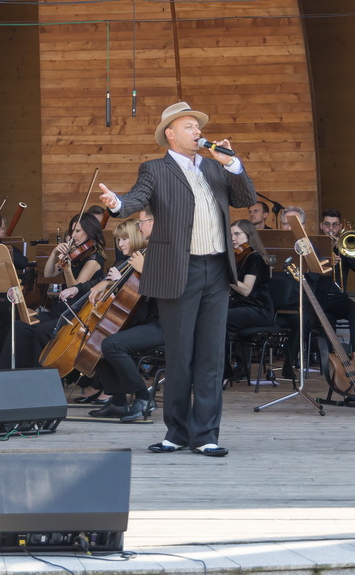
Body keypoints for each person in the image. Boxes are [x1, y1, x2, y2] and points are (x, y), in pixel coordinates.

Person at [99, 101, 255, 457]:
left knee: (211, 355)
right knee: (180, 353)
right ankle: (176, 432)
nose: (197, 132)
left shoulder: (216, 169)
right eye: (189, 127)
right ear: (170, 134)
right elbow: (134, 199)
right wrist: (115, 204)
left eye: (197, 126)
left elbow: (245, 198)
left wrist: (231, 163)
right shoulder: (155, 169)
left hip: (215, 270)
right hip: (177, 271)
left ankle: (206, 435)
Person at [86, 213, 163, 422]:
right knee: (100, 338)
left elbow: (160, 294)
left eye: (141, 225)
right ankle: (119, 401)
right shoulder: (136, 259)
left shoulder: (156, 258)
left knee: (112, 344)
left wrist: (141, 272)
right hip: (143, 320)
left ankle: (144, 397)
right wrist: (108, 284)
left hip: (162, 324)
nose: (120, 244)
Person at [10, 213, 107, 370]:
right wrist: (54, 253)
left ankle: (42, 377)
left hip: (76, 313)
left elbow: (75, 291)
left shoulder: (94, 259)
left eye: (78, 231)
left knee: (42, 331)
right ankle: (16, 372)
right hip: (61, 310)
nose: (72, 235)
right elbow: (48, 274)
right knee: (21, 325)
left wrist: (67, 269)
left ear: (89, 231)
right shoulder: (77, 254)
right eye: (72, 231)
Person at [280, 207, 355, 369]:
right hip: (317, 297)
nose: (331, 229)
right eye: (327, 225)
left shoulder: (344, 246)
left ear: (340, 227)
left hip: (338, 298)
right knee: (319, 320)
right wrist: (326, 261)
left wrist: (344, 252)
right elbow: (310, 274)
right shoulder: (314, 245)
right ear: (321, 226)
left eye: (335, 225)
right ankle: (325, 357)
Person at [224, 219, 274, 382]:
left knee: (220, 318)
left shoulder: (254, 257)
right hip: (242, 307)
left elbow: (246, 290)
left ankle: (224, 369)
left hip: (259, 309)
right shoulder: (238, 257)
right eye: (231, 234)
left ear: (249, 235)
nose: (233, 238)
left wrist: (226, 276)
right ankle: (234, 366)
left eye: (237, 234)